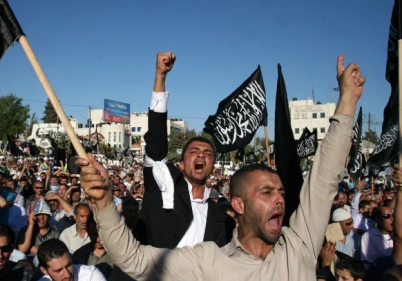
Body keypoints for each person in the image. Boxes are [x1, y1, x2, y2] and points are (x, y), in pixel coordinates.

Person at [77, 53, 365, 280]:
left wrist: (347, 102)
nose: (280, 198)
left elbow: (324, 179)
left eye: (280, 191)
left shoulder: (295, 246)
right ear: (239, 204)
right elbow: (134, 259)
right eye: (266, 192)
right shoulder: (208, 259)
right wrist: (102, 201)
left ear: (214, 166)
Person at [140, 51, 234, 248]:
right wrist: (160, 76)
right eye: (194, 151)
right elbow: (156, 142)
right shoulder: (162, 187)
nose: (201, 154)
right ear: (181, 165)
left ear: (212, 167)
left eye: (208, 153)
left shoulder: (223, 221)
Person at [37, 239, 106, 281]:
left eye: (69, 265)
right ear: (44, 270)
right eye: (58, 270)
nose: (67, 275)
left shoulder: (90, 275)